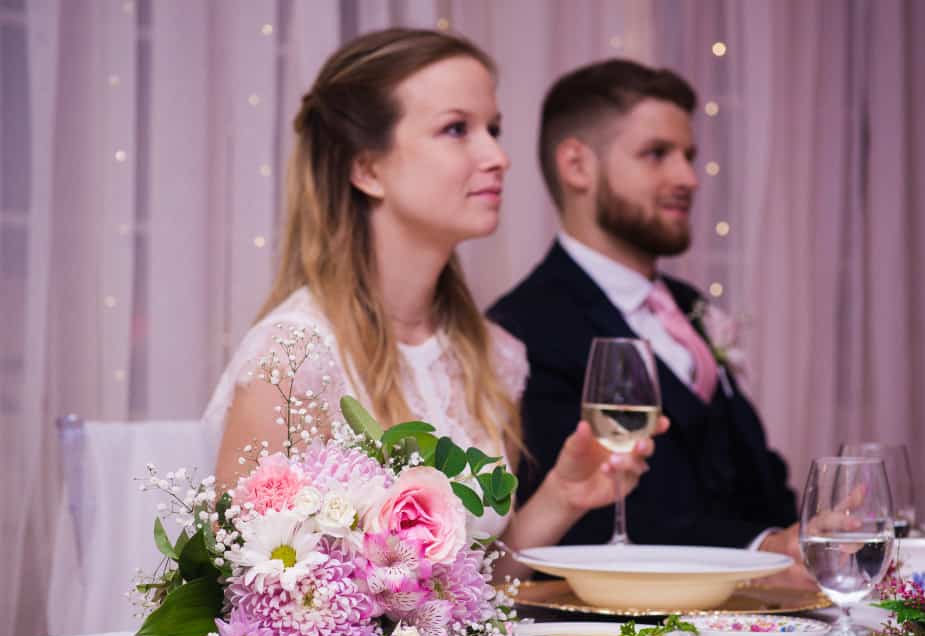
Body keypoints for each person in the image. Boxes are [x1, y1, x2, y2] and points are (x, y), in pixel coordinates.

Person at [203, 30, 667, 577]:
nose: (498, 156)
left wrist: (562, 494)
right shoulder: (292, 360)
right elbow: (243, 594)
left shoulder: (493, 356)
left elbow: (473, 589)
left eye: (493, 129)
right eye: (456, 129)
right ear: (367, 170)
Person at [488, 58, 810, 586]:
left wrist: (800, 534)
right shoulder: (521, 326)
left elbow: (751, 466)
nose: (688, 178)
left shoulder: (688, 306)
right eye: (656, 154)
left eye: (689, 156)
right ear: (577, 166)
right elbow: (593, 520)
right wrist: (760, 550)